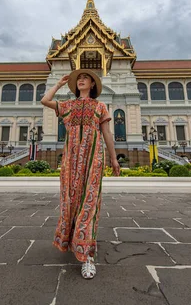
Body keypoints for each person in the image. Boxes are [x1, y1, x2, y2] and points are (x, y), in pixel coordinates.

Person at [41, 69, 120, 279]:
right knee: (71, 201)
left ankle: (87, 257)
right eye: (79, 79)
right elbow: (45, 100)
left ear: (93, 85)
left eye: (86, 79)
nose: (81, 81)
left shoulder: (100, 107)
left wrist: (113, 159)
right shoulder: (68, 106)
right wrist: (58, 84)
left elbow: (107, 134)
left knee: (89, 203)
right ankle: (73, 242)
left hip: (93, 159)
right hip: (71, 161)